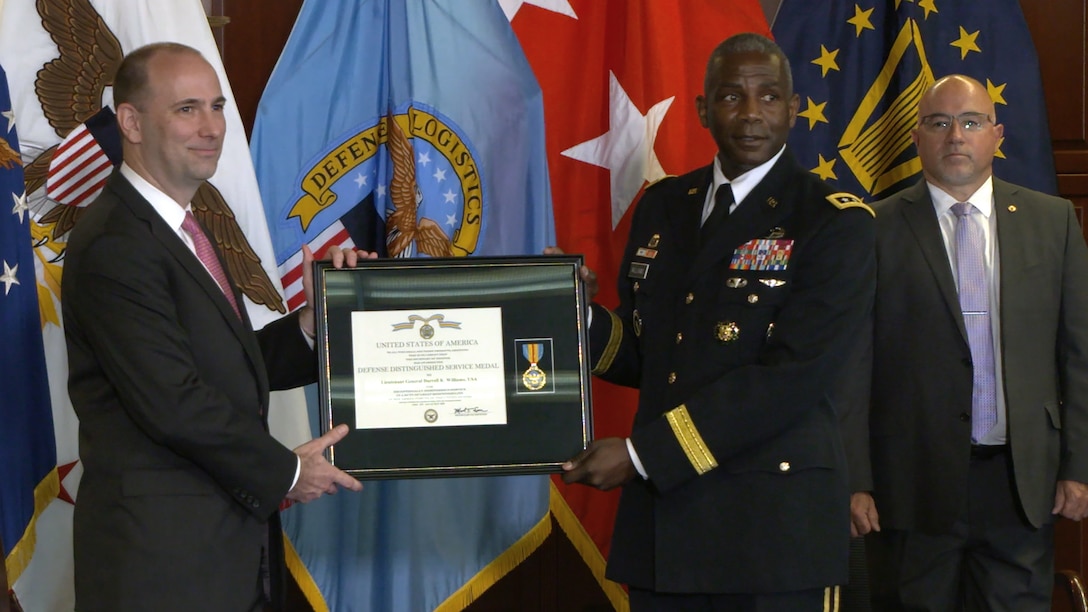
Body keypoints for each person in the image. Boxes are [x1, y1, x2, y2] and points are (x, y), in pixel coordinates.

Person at [557, 33, 875, 610]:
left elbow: (793, 377)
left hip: (772, 530)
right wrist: (573, 313)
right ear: (704, 109)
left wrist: (640, 456)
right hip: (669, 527)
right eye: (731, 96)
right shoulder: (664, 205)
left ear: (793, 109)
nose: (752, 114)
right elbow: (649, 350)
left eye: (769, 97)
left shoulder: (833, 222)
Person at [63, 42, 365, 612]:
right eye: (187, 109)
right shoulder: (116, 243)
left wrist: (311, 324)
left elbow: (220, 365)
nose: (212, 127)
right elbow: (173, 400)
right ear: (130, 121)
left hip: (222, 552)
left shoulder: (181, 227)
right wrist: (288, 472)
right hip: (162, 568)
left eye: (218, 106)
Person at [844, 74, 1088, 610]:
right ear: (916, 137)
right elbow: (852, 366)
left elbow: (1079, 355)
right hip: (909, 488)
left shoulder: (1052, 222)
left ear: (996, 135)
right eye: (939, 122)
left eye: (971, 122)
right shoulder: (873, 228)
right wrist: (856, 480)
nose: (956, 135)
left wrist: (1079, 465)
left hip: (1020, 484)